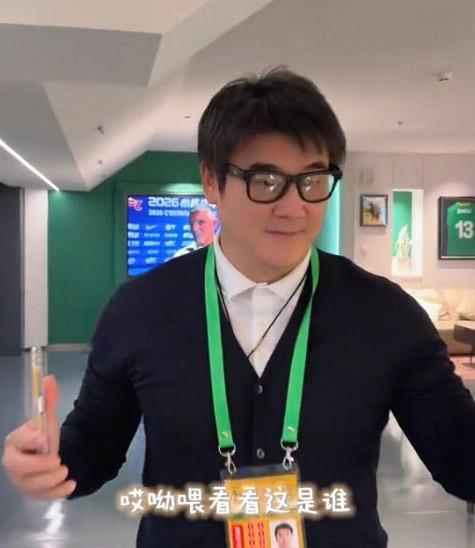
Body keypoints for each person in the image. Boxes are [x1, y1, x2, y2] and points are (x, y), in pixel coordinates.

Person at [2, 68, 475, 548]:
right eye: (265, 181)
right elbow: (93, 449)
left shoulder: (386, 316)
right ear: (211, 181)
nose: (293, 207)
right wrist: (51, 461)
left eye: (313, 180)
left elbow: (461, 458)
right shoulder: (139, 311)